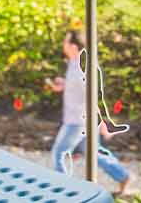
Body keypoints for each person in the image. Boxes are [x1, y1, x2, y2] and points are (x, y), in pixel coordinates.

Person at [45, 30, 128, 193]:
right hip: (81, 120)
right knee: (94, 153)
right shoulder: (74, 64)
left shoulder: (82, 68)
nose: (63, 45)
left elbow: (92, 96)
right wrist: (63, 84)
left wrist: (102, 124)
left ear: (73, 47)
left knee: (59, 153)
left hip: (77, 122)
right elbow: (79, 89)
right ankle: (123, 176)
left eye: (65, 42)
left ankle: (62, 191)